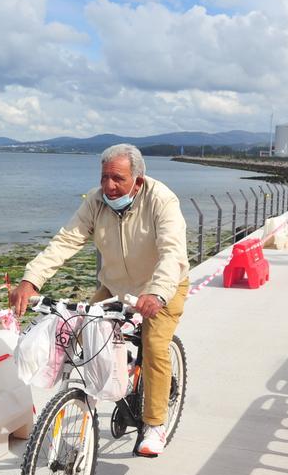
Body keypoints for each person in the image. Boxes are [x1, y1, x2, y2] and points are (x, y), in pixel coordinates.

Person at [11, 144, 189, 457]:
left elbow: (171, 252)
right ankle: (107, 385)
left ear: (138, 179)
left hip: (160, 286)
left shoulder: (161, 200)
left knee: (155, 346)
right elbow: (66, 240)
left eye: (118, 178)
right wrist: (30, 280)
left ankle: (155, 424)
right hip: (115, 287)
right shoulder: (97, 202)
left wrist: (158, 292)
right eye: (104, 177)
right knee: (81, 331)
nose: (109, 186)